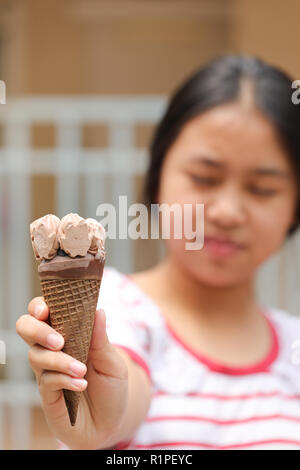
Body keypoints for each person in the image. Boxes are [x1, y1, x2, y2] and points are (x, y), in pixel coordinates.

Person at [16, 55, 300, 450]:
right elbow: (124, 386)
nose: (227, 212)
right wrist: (104, 419)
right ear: (157, 177)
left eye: (262, 189)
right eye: (204, 178)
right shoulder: (115, 308)